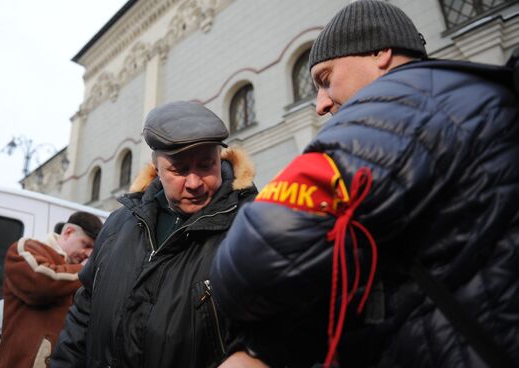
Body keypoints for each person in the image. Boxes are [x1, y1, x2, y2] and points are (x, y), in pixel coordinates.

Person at [211, 1, 519, 367]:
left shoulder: (397, 106)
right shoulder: (463, 99)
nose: (321, 105)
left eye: (326, 80)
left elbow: (247, 263)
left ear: (381, 53)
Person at [51, 101, 257, 368]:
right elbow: (83, 316)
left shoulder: (250, 230)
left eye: (206, 165)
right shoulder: (117, 226)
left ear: (221, 157)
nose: (194, 183)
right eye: (179, 170)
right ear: (156, 168)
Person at [0, 211, 103, 368]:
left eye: (92, 250)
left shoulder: (76, 272)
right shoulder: (25, 248)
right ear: (68, 232)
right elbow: (39, 282)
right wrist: (85, 271)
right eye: (86, 245)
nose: (88, 253)